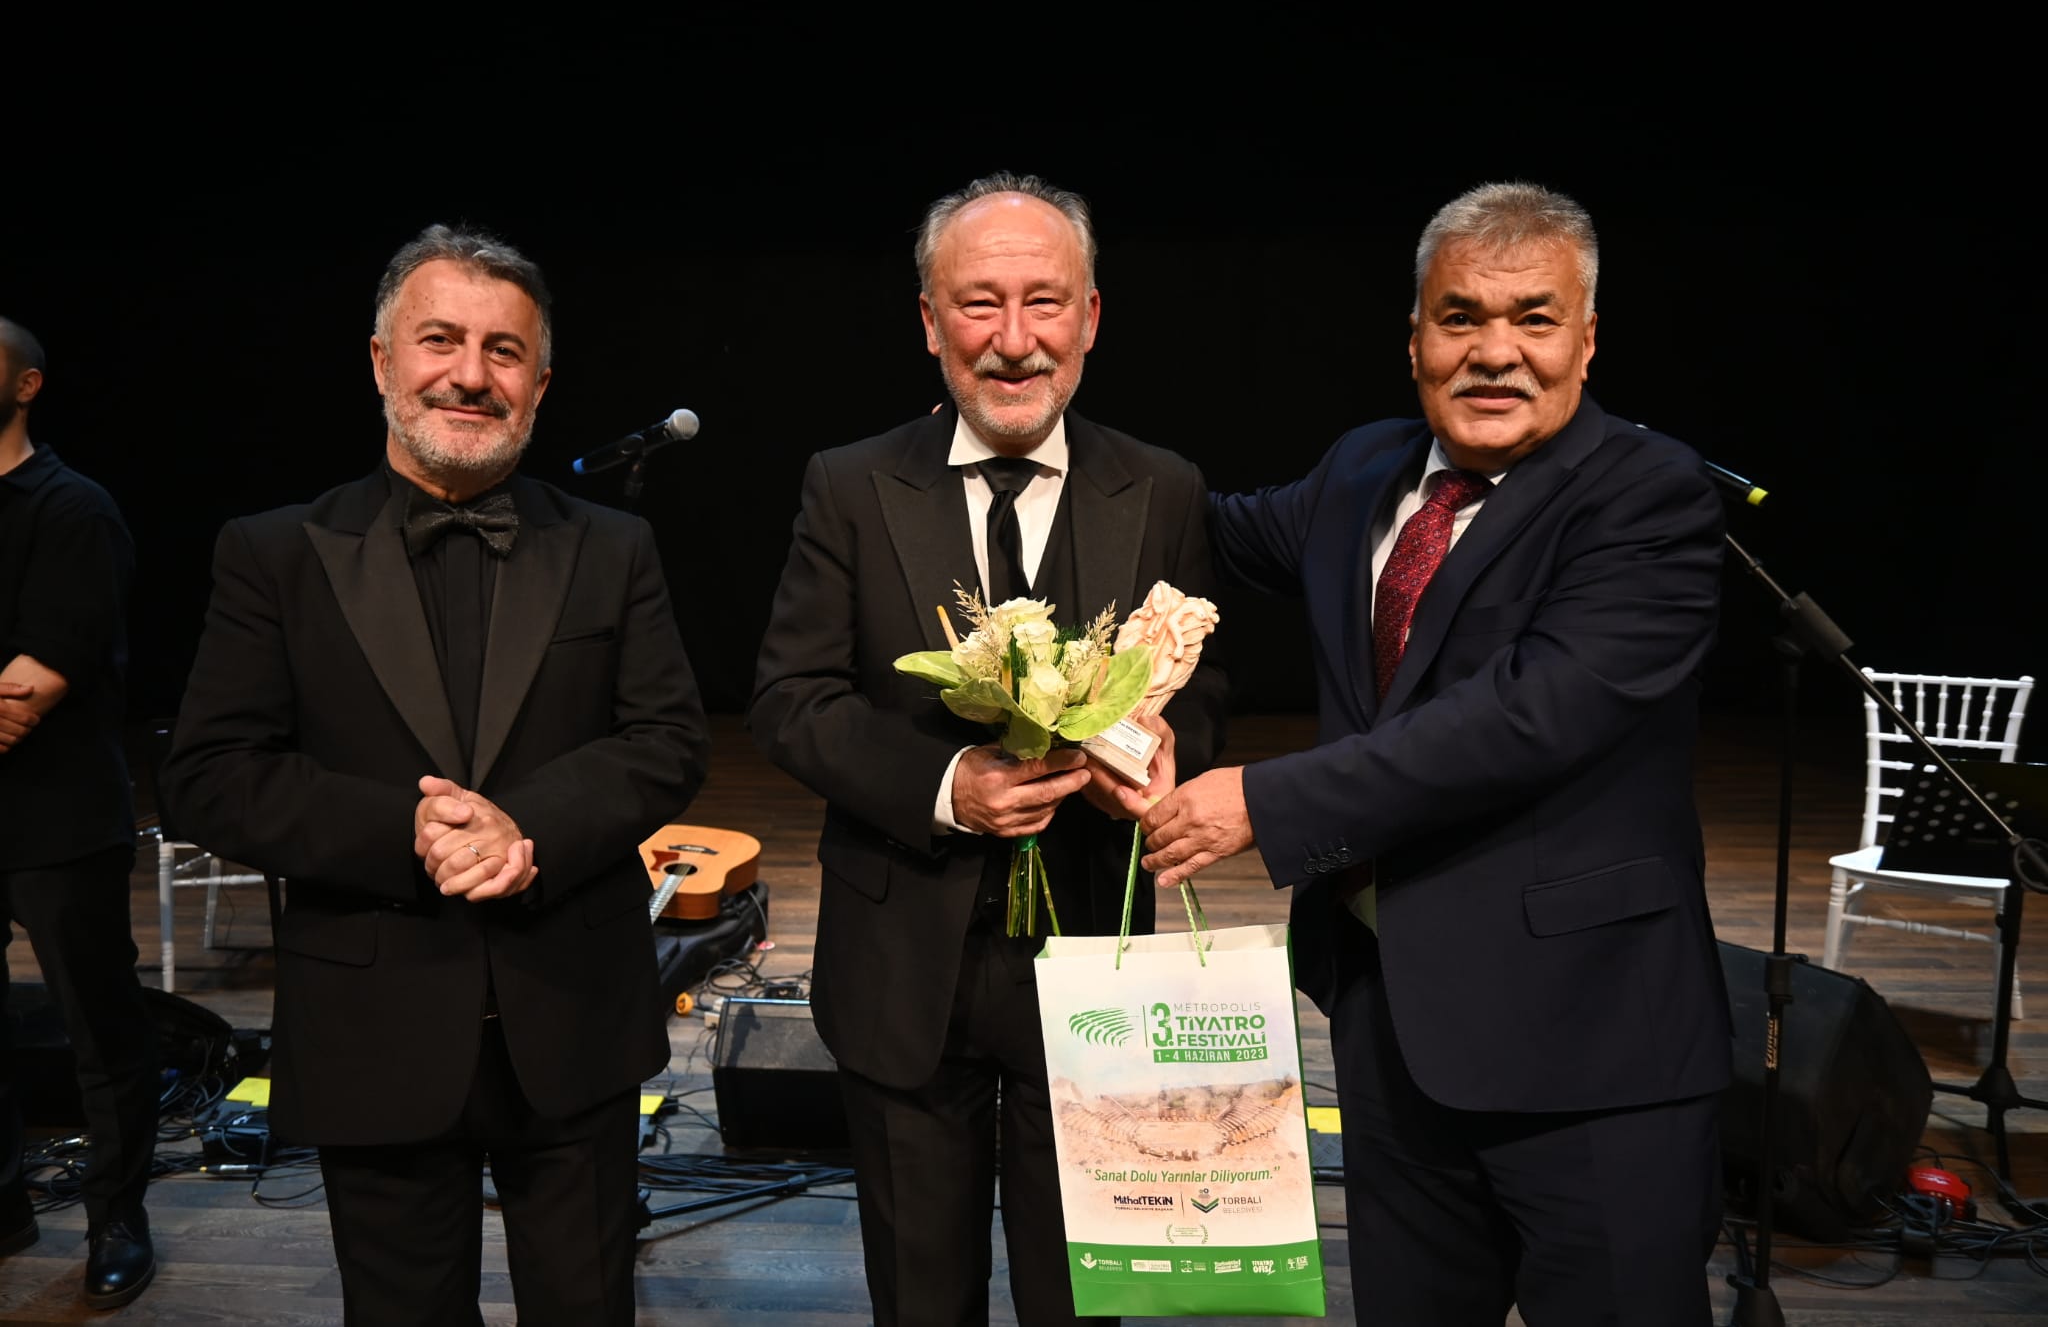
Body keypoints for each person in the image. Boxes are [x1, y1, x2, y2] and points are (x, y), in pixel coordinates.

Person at [1139, 183, 1731, 1326]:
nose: (1493, 353)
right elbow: (1204, 526)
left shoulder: (1648, 496)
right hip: (1389, 1029)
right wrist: (1051, 447)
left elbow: (1524, 719)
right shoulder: (1363, 469)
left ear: (1586, 339)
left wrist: (1264, 800)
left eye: (1532, 319)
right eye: (1459, 317)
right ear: (1413, 338)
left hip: (1590, 1049)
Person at [159, 226, 710, 1327]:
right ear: (381, 361)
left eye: (504, 351)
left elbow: (666, 741)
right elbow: (211, 776)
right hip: (374, 1023)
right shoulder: (273, 551)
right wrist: (410, 835)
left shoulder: (614, 547)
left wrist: (524, 829)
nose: (470, 373)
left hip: (576, 1015)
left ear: (539, 382)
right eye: (440, 340)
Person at [749, 172, 1226, 1326]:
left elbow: (1205, 691)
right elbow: (789, 699)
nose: (1014, 340)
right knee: (922, 1299)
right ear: (929, 321)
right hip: (901, 967)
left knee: (1083, 1302)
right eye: (979, 304)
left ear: (1089, 317)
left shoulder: (1162, 487)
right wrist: (946, 785)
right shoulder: (847, 484)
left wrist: (1158, 749)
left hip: (1096, 965)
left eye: (1043, 302)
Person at [0, 316, 159, 1308]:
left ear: (27, 385)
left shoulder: (73, 509)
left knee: (99, 1028)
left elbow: (28, 690)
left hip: (58, 817)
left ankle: (116, 1218)